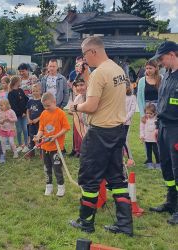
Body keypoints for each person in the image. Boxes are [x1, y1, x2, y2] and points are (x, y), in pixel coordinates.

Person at [69, 36, 133, 236]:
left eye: (85, 55)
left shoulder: (100, 73)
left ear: (93, 51)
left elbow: (92, 105)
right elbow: (103, 94)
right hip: (117, 130)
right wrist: (87, 75)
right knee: (116, 178)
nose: (84, 60)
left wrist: (75, 107)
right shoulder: (117, 70)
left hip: (99, 133)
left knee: (89, 179)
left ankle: (86, 222)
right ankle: (125, 225)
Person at [149, 41, 178, 225]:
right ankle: (171, 202)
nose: (160, 63)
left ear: (173, 54)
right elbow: (161, 102)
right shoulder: (166, 75)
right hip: (164, 128)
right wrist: (158, 125)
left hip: (177, 128)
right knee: (166, 167)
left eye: (162, 58)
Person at [33, 92, 70, 197]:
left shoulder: (60, 113)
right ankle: (48, 186)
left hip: (56, 148)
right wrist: (37, 136)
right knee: (47, 168)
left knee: (57, 168)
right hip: (45, 148)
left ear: (54, 102)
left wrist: (56, 136)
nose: (46, 108)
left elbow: (66, 128)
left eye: (48, 105)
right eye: (44, 106)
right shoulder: (44, 114)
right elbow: (41, 129)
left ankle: (60, 187)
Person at [8, 76, 29, 153]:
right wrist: (21, 113)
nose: (21, 82)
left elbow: (26, 100)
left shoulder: (21, 90)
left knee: (25, 129)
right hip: (17, 115)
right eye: (20, 81)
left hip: (23, 114)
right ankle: (20, 145)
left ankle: (26, 145)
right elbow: (13, 106)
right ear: (16, 82)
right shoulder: (10, 93)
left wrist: (25, 111)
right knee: (19, 130)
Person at [68, 78, 87, 158]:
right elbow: (71, 110)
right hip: (83, 123)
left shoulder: (90, 96)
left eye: (82, 85)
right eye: (77, 86)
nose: (79, 88)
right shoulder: (78, 97)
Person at [140, 103, 160, 169]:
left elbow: (158, 128)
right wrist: (142, 136)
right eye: (147, 113)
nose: (148, 115)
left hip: (154, 140)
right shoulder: (144, 120)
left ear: (154, 113)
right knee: (148, 152)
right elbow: (141, 129)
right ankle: (149, 163)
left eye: (150, 113)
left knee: (156, 151)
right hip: (147, 139)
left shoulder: (156, 119)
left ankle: (158, 163)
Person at [26, 83, 44, 158]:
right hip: (31, 123)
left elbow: (44, 112)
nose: (35, 92)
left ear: (40, 91)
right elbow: (27, 110)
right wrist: (28, 119)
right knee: (32, 136)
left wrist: (38, 119)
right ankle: (31, 152)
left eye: (36, 91)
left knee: (40, 137)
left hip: (40, 123)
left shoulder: (42, 101)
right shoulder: (30, 101)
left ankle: (42, 152)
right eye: (33, 91)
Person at [124, 83, 136, 167]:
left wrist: (125, 119)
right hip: (116, 121)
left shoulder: (132, 97)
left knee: (124, 140)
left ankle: (130, 159)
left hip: (126, 122)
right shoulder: (118, 97)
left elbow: (132, 110)